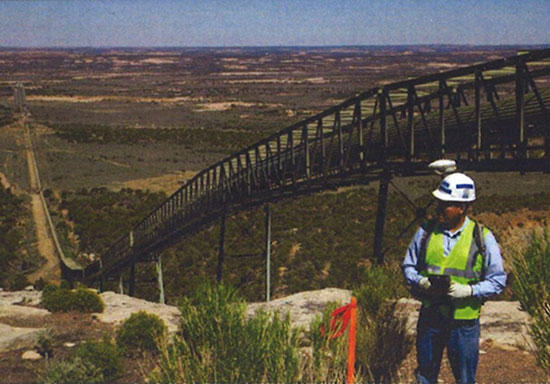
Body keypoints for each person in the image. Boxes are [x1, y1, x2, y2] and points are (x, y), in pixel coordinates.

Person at [402, 172, 507, 384]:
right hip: (431, 315)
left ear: (462, 207)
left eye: (446, 204)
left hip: (464, 322)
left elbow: (497, 280)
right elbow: (408, 266)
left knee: (466, 379)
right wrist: (421, 281)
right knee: (425, 376)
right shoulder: (425, 231)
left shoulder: (482, 237)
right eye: (439, 203)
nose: (439, 208)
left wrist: (469, 291)